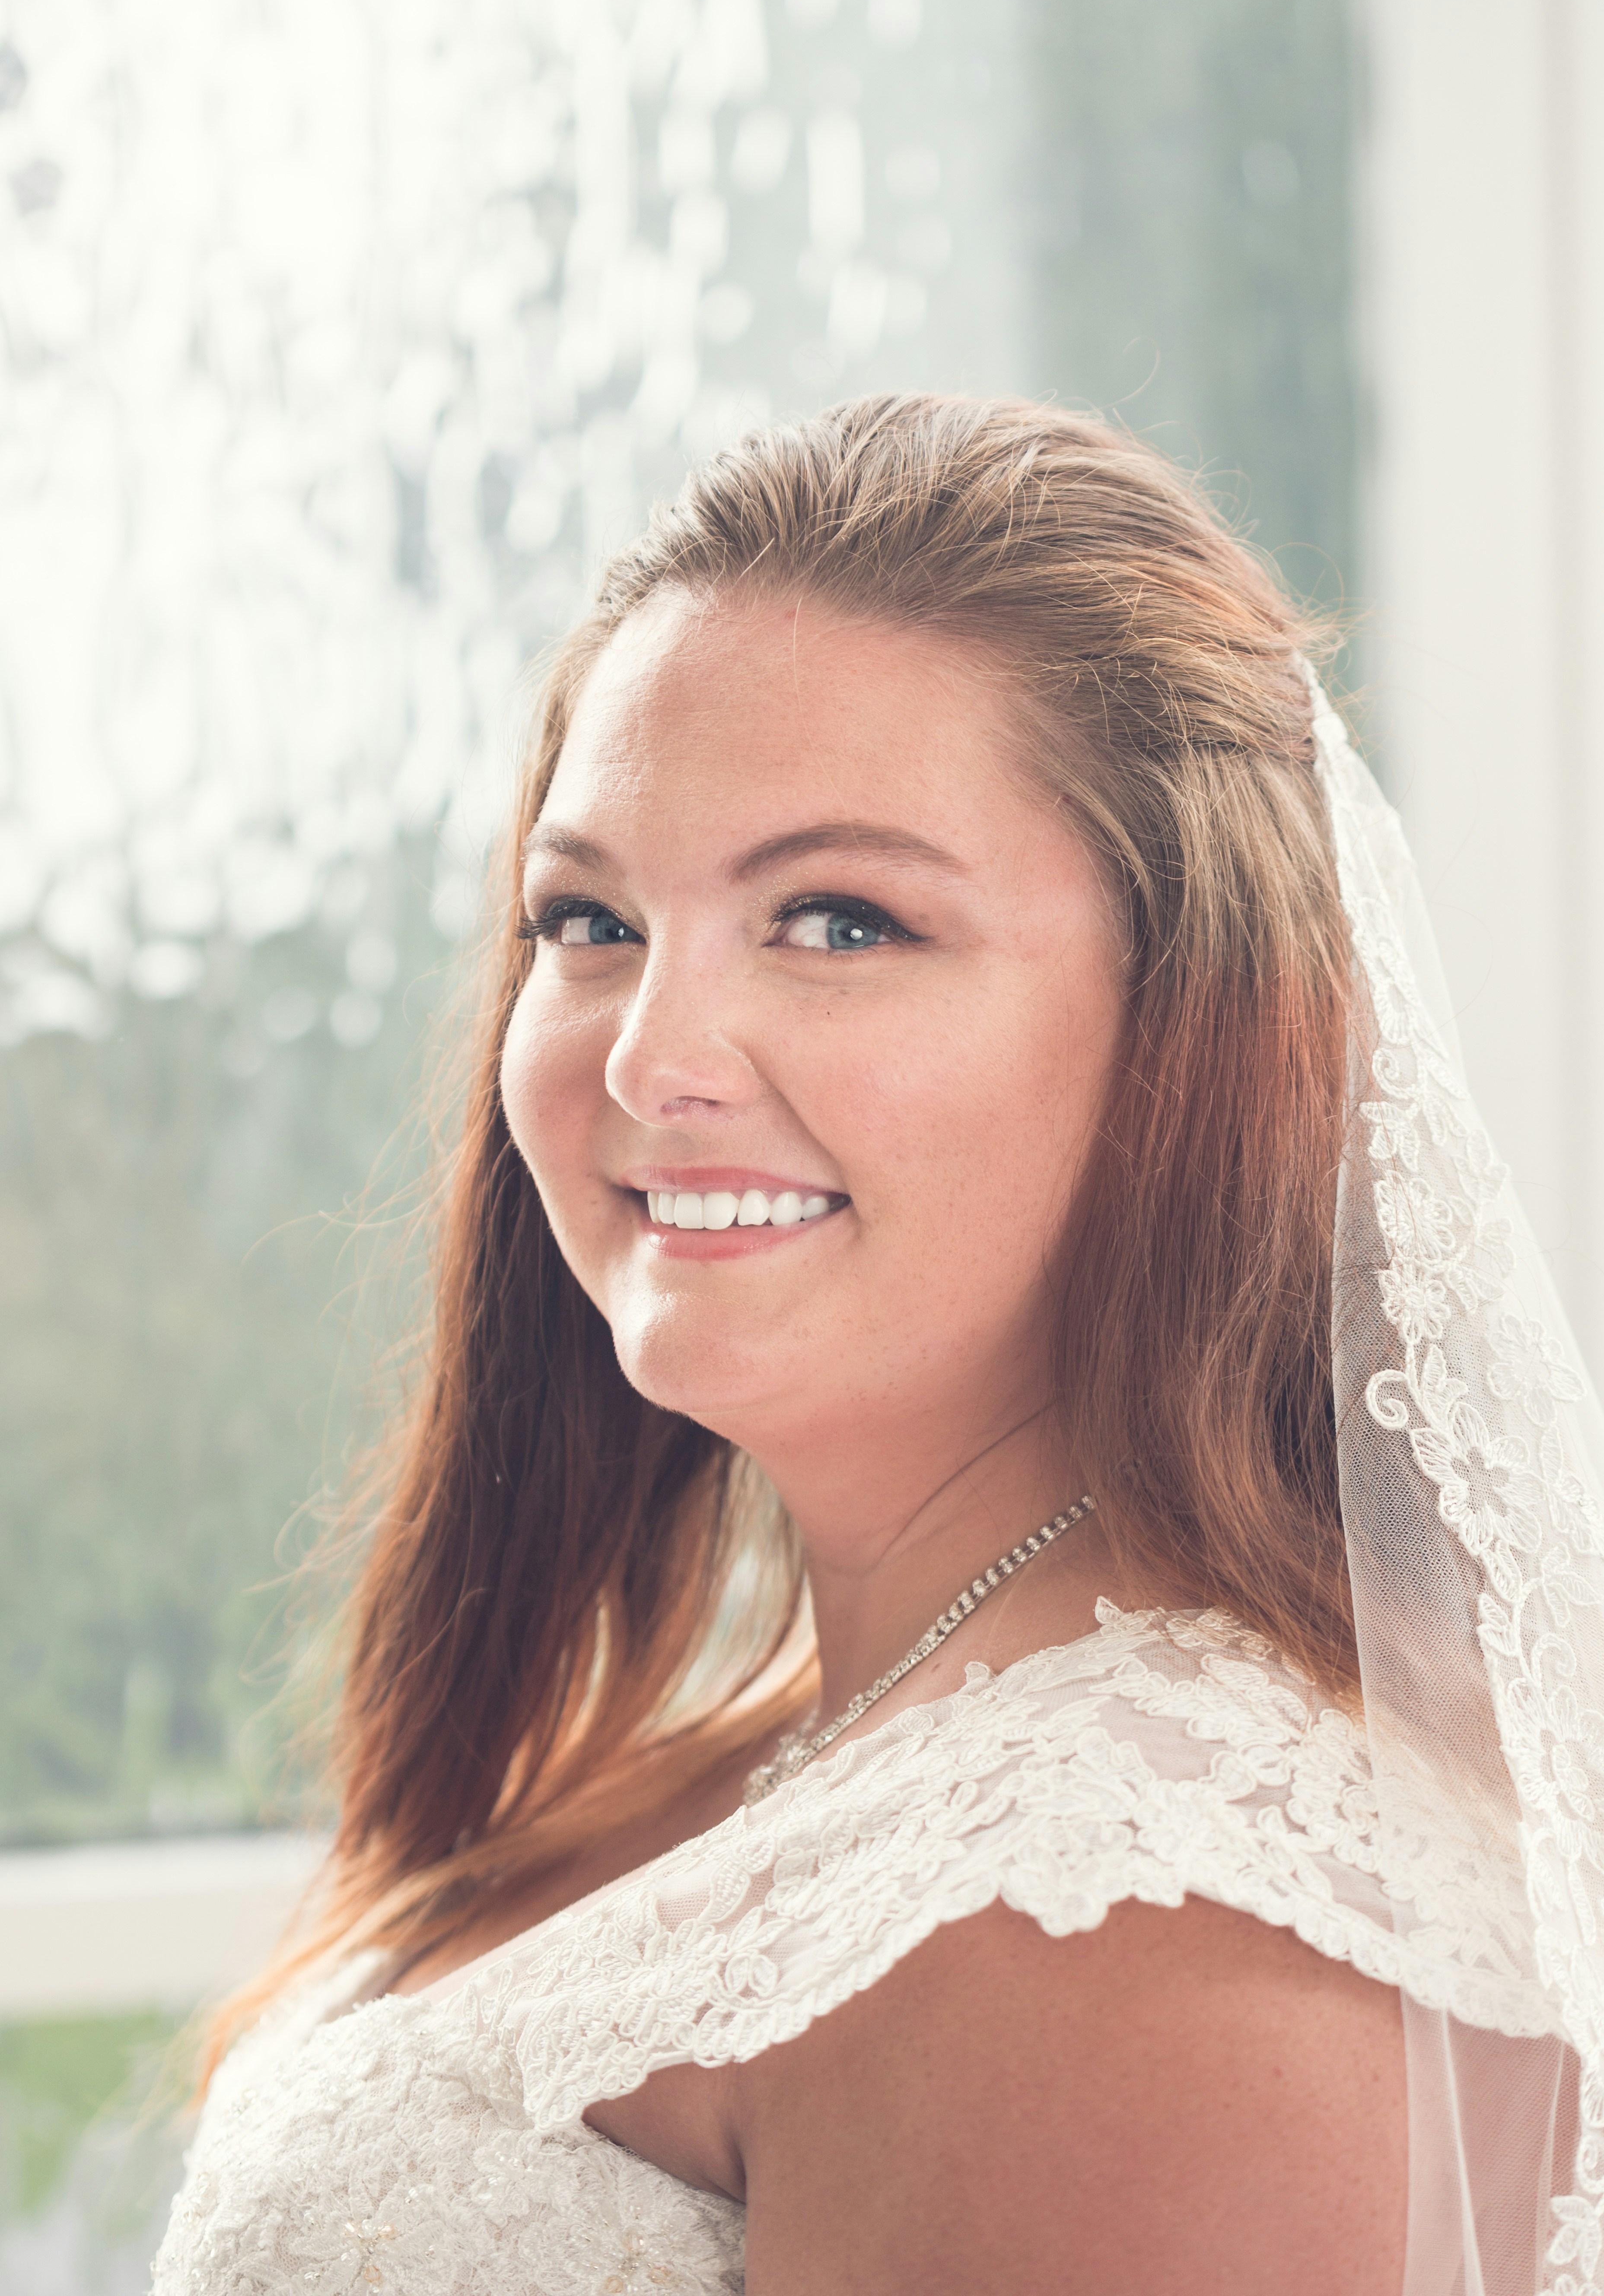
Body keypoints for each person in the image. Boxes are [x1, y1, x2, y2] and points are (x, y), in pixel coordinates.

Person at [152, 396, 1602, 2296]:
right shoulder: (804, 1743)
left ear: (1197, 1023)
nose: (650, 1059)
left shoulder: (1123, 1911)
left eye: (838, 921)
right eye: (586, 919)